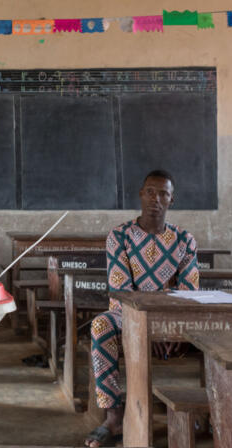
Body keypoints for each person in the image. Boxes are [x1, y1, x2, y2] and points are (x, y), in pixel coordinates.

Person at [84, 169, 199, 448]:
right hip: (125, 315)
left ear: (172, 200)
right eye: (150, 191)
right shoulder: (120, 236)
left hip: (169, 318)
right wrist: (148, 327)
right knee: (100, 325)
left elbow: (188, 292)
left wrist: (165, 327)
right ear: (141, 194)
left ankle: (207, 409)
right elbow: (121, 290)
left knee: (217, 329)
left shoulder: (184, 241)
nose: (155, 199)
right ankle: (113, 415)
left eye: (163, 193)